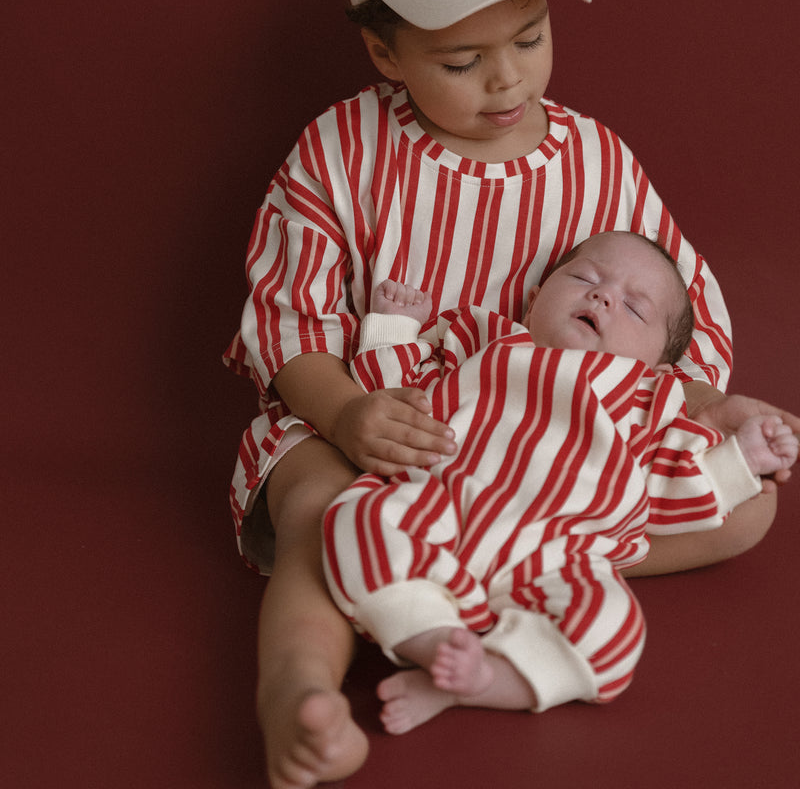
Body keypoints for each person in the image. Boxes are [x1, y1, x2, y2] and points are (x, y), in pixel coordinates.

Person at [224, 0, 800, 789]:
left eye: (529, 39)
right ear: (384, 51)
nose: (506, 83)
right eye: (461, 59)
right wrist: (344, 414)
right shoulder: (339, 153)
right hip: (379, 426)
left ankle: (506, 559)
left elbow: (665, 321)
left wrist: (719, 414)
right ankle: (298, 687)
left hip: (546, 456)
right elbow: (286, 324)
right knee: (317, 510)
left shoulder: (597, 163)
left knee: (750, 511)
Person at [323, 232, 798, 733]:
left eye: (634, 308)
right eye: (584, 278)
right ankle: (432, 639)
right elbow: (397, 397)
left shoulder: (650, 404)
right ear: (534, 302)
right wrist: (393, 330)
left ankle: (490, 677)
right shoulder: (483, 338)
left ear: (659, 364)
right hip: (440, 504)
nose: (604, 296)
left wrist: (742, 459)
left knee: (613, 627)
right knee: (358, 519)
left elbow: (674, 479)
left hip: (556, 554)